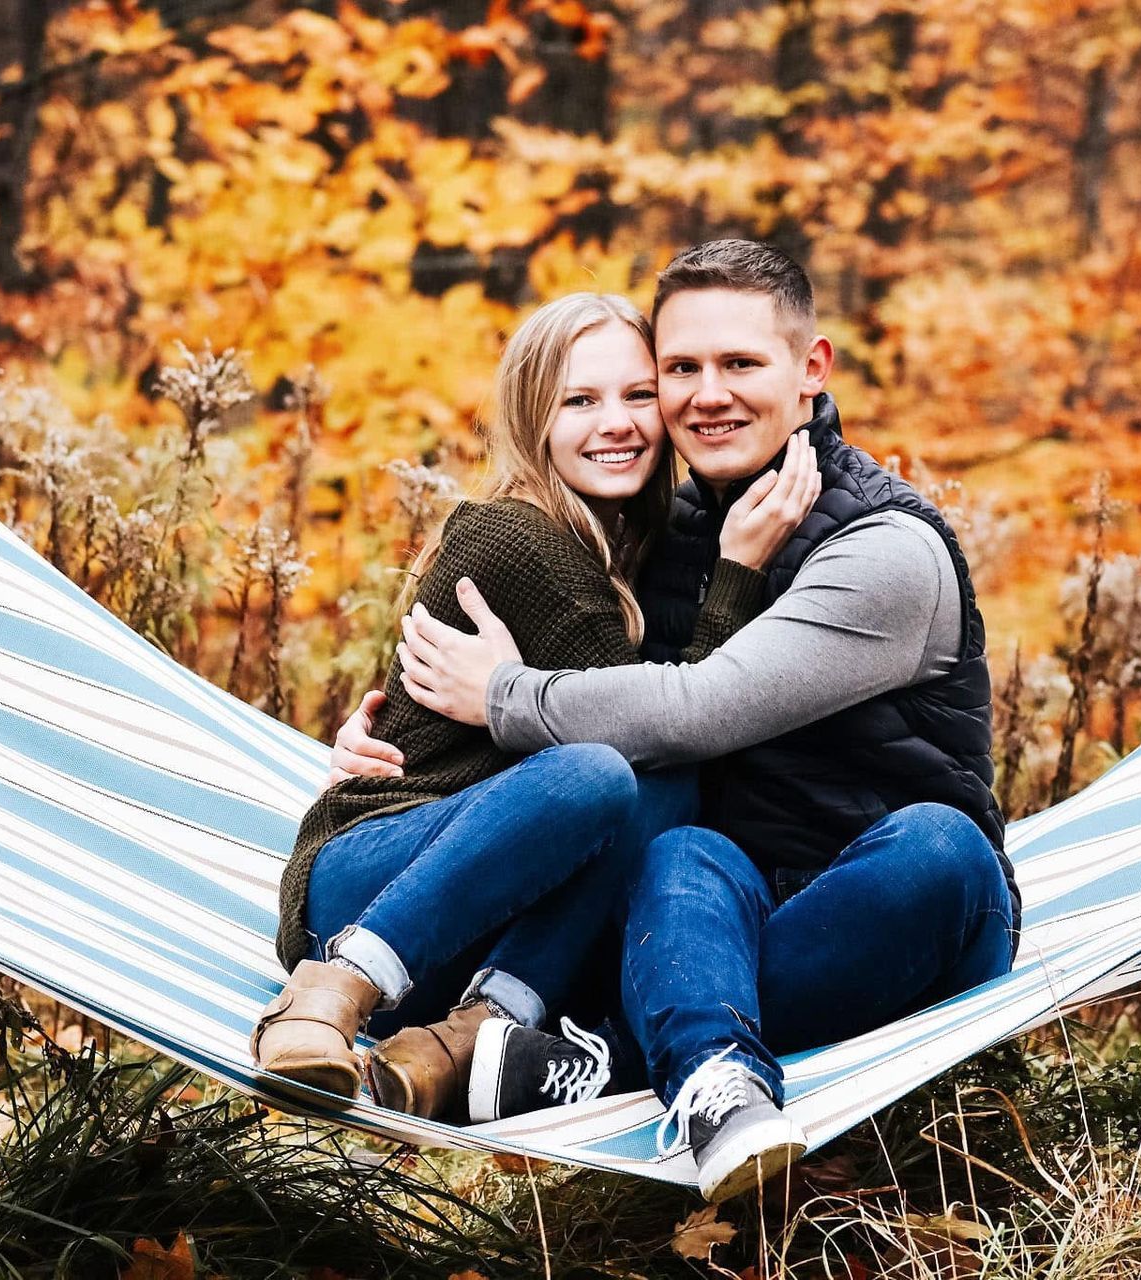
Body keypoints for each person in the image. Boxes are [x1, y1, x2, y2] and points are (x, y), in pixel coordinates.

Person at [351, 240, 1020, 1200]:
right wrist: (392, 741)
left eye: (740, 363)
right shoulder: (671, 528)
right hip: (710, 924)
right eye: (681, 369)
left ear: (811, 368)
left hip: (890, 914)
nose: (709, 395)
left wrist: (502, 696)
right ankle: (717, 1086)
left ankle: (609, 1063)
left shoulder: (885, 550)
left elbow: (699, 707)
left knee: (940, 846)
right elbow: (607, 707)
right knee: (680, 853)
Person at [253, 291, 822, 1125]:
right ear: (534, 419)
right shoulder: (523, 542)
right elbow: (674, 727)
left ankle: (472, 1036)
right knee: (606, 772)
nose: (616, 423)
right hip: (365, 895)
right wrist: (737, 574)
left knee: (649, 792)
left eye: (637, 395)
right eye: (579, 401)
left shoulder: (628, 544)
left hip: (465, 937)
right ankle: (328, 993)